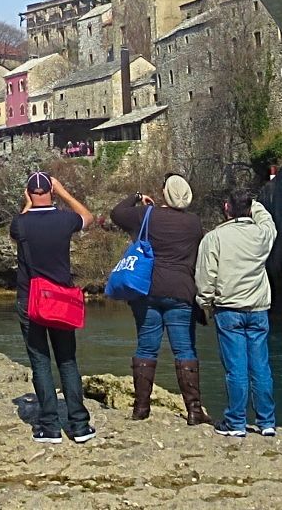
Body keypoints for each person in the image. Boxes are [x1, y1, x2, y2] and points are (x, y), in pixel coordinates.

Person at [109, 174, 207, 426]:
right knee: (184, 349)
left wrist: (138, 197)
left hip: (148, 290)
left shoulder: (147, 215)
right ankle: (194, 411)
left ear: (165, 193)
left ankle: (141, 407)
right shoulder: (194, 223)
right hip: (182, 291)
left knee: (146, 347)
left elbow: (117, 213)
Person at [10, 171, 95, 444]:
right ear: (51, 191)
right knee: (67, 361)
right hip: (60, 299)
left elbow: (21, 223)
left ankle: (49, 426)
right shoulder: (65, 220)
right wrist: (65, 193)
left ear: (28, 192)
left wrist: (27, 203)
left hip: (30, 299)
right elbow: (89, 217)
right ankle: (79, 425)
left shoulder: (20, 224)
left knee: (40, 362)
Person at [196, 186, 279, 437]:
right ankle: (267, 422)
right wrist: (253, 204)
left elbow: (205, 278)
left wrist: (206, 303)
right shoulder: (263, 234)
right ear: (250, 208)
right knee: (261, 367)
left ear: (226, 208)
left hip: (228, 308)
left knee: (236, 369)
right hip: (258, 308)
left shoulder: (214, 238)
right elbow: (268, 220)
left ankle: (236, 421)